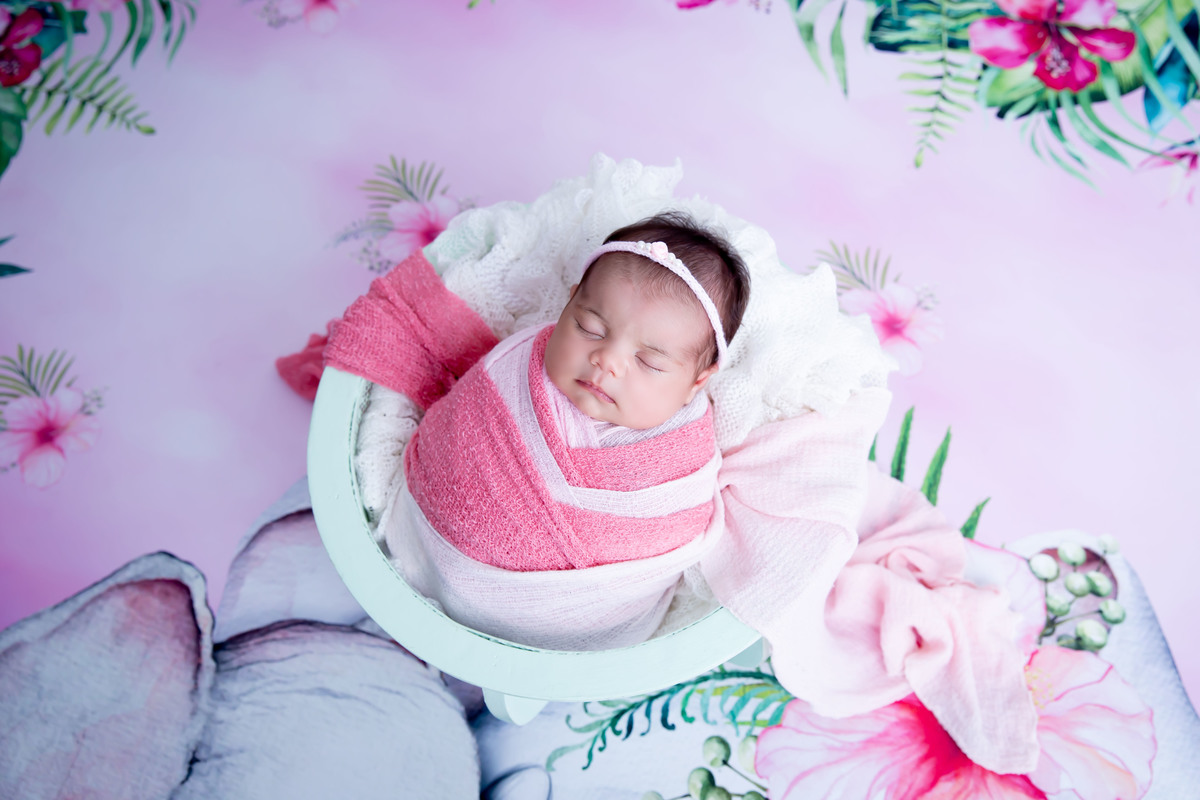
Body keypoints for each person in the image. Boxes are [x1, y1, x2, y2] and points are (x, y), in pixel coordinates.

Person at [323, 211, 753, 648]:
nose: (607, 360)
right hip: (428, 539)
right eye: (589, 327)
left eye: (649, 362)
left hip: (576, 622)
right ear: (569, 303)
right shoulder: (518, 366)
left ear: (697, 382)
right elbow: (459, 423)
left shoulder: (684, 458)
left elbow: (674, 531)